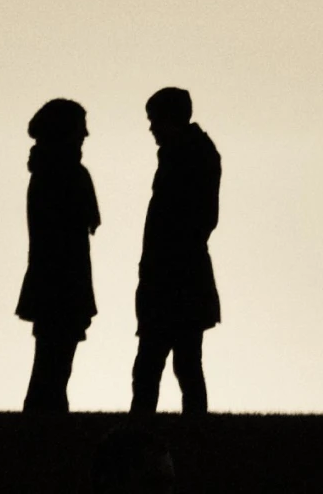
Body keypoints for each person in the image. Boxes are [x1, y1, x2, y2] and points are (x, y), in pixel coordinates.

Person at [131, 85, 220, 415]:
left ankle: (142, 428)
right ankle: (192, 428)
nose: (151, 127)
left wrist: (161, 264)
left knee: (154, 363)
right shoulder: (194, 152)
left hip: (173, 275)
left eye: (154, 119)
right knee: (183, 361)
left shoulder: (185, 155)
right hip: (180, 272)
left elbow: (192, 220)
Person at [16, 97, 101, 412]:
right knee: (55, 361)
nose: (86, 135)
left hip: (55, 276)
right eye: (80, 127)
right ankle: (45, 422)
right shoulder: (65, 174)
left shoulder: (49, 171)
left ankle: (45, 421)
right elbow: (74, 226)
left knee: (53, 360)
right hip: (62, 278)